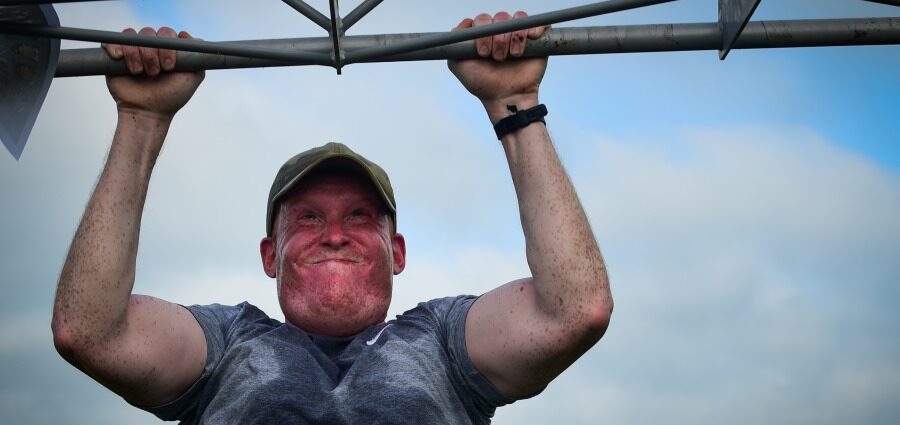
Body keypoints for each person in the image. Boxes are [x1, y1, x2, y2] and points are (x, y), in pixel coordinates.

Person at [51, 11, 612, 424]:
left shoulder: (442, 341)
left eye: (361, 216)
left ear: (398, 252)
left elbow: (574, 311)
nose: (336, 234)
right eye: (310, 219)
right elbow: (90, 332)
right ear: (270, 255)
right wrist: (141, 119)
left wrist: (514, 103)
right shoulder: (226, 343)